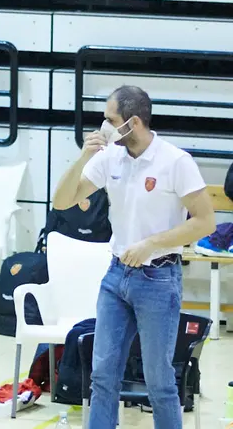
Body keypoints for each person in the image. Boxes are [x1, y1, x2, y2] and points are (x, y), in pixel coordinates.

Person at [51, 85, 215, 429]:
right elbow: (62, 201)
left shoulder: (175, 161)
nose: (104, 126)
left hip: (159, 279)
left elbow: (205, 222)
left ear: (133, 122)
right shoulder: (109, 156)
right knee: (103, 376)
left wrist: (152, 243)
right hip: (115, 277)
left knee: (159, 383)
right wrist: (83, 157)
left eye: (111, 119)